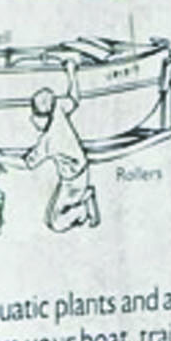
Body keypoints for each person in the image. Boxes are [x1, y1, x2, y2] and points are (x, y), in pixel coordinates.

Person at [25, 71, 100, 232]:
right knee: (53, 213)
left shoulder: (49, 140)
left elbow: (28, 163)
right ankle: (84, 198)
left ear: (44, 117)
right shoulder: (58, 109)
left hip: (73, 181)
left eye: (35, 116)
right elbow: (74, 98)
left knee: (55, 222)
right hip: (80, 172)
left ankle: (84, 208)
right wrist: (71, 72)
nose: (31, 120)